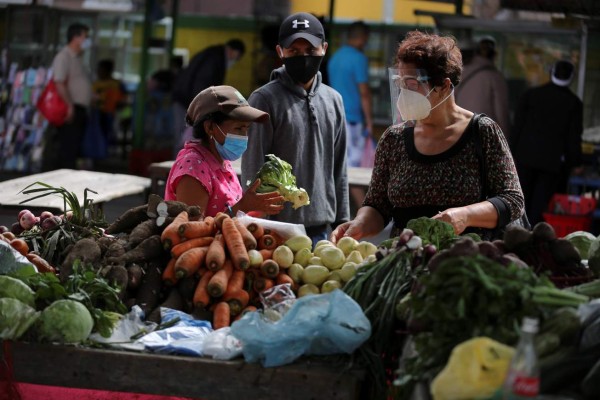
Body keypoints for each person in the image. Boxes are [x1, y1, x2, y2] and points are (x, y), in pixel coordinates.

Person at [331, 30, 524, 243]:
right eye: (401, 84)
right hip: (402, 263)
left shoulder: (483, 132)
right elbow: (378, 205)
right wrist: (360, 223)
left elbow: (512, 200)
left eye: (413, 84)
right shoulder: (393, 139)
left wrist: (466, 215)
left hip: (465, 262)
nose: (405, 92)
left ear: (444, 86)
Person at [241, 12, 350, 245]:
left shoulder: (334, 100)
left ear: (324, 48)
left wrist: (342, 221)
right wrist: (257, 222)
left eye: (310, 51)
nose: (303, 58)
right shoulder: (264, 99)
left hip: (322, 229)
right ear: (280, 52)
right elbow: (253, 166)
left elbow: (339, 166)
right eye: (294, 51)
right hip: (276, 229)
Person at [164, 85, 285, 217]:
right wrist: (243, 206)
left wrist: (258, 207)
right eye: (238, 128)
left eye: (247, 129)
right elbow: (191, 229)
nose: (244, 136)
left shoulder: (221, 162)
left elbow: (233, 214)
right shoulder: (193, 167)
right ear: (210, 127)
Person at [511, 60, 584, 226]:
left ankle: (514, 234)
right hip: (552, 162)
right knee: (540, 204)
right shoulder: (574, 103)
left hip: (525, 156)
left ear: (552, 73)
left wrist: (511, 152)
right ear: (571, 77)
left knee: (520, 197)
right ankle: (533, 237)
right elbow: (574, 137)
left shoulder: (531, 95)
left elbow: (517, 126)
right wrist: (576, 162)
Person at [327, 20, 373, 210]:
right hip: (352, 122)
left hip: (334, 117)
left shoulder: (335, 57)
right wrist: (369, 122)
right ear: (363, 38)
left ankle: (340, 211)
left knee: (338, 166)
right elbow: (364, 93)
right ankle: (366, 212)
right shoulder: (359, 59)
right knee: (354, 171)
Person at [171, 39, 246, 156]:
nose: (234, 60)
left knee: (185, 139)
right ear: (233, 51)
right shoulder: (215, 59)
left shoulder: (214, 55)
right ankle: (179, 168)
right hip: (186, 102)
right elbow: (201, 84)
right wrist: (201, 111)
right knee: (184, 141)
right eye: (236, 57)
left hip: (187, 100)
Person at [48, 22, 93, 170]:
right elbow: (59, 82)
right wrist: (69, 106)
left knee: (74, 147)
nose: (87, 40)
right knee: (68, 147)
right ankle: (62, 183)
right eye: (85, 36)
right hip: (70, 110)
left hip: (79, 109)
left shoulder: (78, 57)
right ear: (76, 37)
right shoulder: (63, 56)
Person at [454, 36, 510, 137]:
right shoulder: (495, 76)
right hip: (484, 133)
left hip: (460, 129)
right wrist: (505, 138)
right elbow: (501, 112)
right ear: (494, 55)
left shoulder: (461, 72)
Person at [92, 59, 126, 147]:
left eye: (101, 70)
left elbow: (123, 100)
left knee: (109, 132)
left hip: (111, 113)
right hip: (97, 113)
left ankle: (107, 149)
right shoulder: (95, 84)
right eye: (98, 70)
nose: (99, 72)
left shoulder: (117, 84)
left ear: (108, 71)